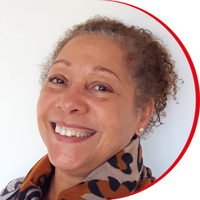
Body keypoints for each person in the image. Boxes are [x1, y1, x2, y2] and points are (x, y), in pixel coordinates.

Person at [0, 16, 178, 200]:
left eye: (101, 87)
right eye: (59, 80)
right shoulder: (12, 192)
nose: (69, 103)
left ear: (142, 114)